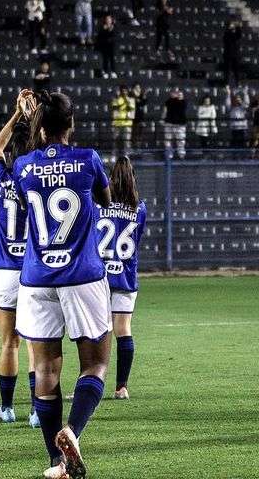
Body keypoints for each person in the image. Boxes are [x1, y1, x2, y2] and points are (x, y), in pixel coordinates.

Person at [12, 91, 113, 479]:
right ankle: (73, 430)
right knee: (96, 363)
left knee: (44, 370)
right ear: (71, 124)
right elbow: (104, 201)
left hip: (36, 278)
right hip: (82, 275)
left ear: (40, 124)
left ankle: (57, 464)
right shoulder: (88, 159)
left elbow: (28, 193)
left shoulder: (23, 166)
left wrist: (29, 122)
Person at [0, 92, 39, 427]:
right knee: (38, 344)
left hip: (5, 271)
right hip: (34, 272)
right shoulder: (38, 176)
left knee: (10, 343)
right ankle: (38, 411)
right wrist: (34, 119)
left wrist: (16, 116)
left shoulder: (2, 178)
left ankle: (7, 408)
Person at [97, 155, 146, 400]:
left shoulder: (99, 206)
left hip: (100, 276)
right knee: (123, 330)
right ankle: (121, 387)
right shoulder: (140, 209)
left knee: (99, 332)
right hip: (126, 274)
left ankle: (93, 383)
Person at [162, 88, 187, 159]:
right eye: (174, 92)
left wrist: (180, 99)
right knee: (168, 139)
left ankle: (181, 155)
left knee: (181, 140)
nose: (175, 94)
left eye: (177, 92)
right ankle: (169, 154)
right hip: (169, 123)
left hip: (180, 124)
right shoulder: (168, 101)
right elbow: (165, 110)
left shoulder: (183, 101)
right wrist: (163, 118)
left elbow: (183, 108)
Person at [110, 85, 135, 155]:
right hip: (117, 123)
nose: (124, 92)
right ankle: (114, 155)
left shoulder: (131, 100)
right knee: (115, 140)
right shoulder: (116, 100)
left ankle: (127, 156)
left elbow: (132, 109)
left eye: (125, 91)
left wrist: (127, 101)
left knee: (126, 141)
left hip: (127, 124)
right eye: (122, 91)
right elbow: (115, 109)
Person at [222, 20, 243, 85]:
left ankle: (237, 82)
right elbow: (235, 36)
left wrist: (238, 26)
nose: (232, 26)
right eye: (231, 25)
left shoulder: (233, 34)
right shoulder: (227, 33)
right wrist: (236, 26)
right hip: (228, 55)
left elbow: (239, 35)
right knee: (227, 70)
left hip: (235, 54)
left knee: (236, 70)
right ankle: (226, 83)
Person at [130, 84, 147, 150]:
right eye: (136, 88)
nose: (137, 89)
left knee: (140, 135)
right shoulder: (131, 97)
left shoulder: (142, 97)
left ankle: (138, 147)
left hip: (141, 119)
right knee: (134, 135)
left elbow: (143, 103)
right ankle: (133, 147)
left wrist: (143, 95)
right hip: (133, 119)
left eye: (139, 88)